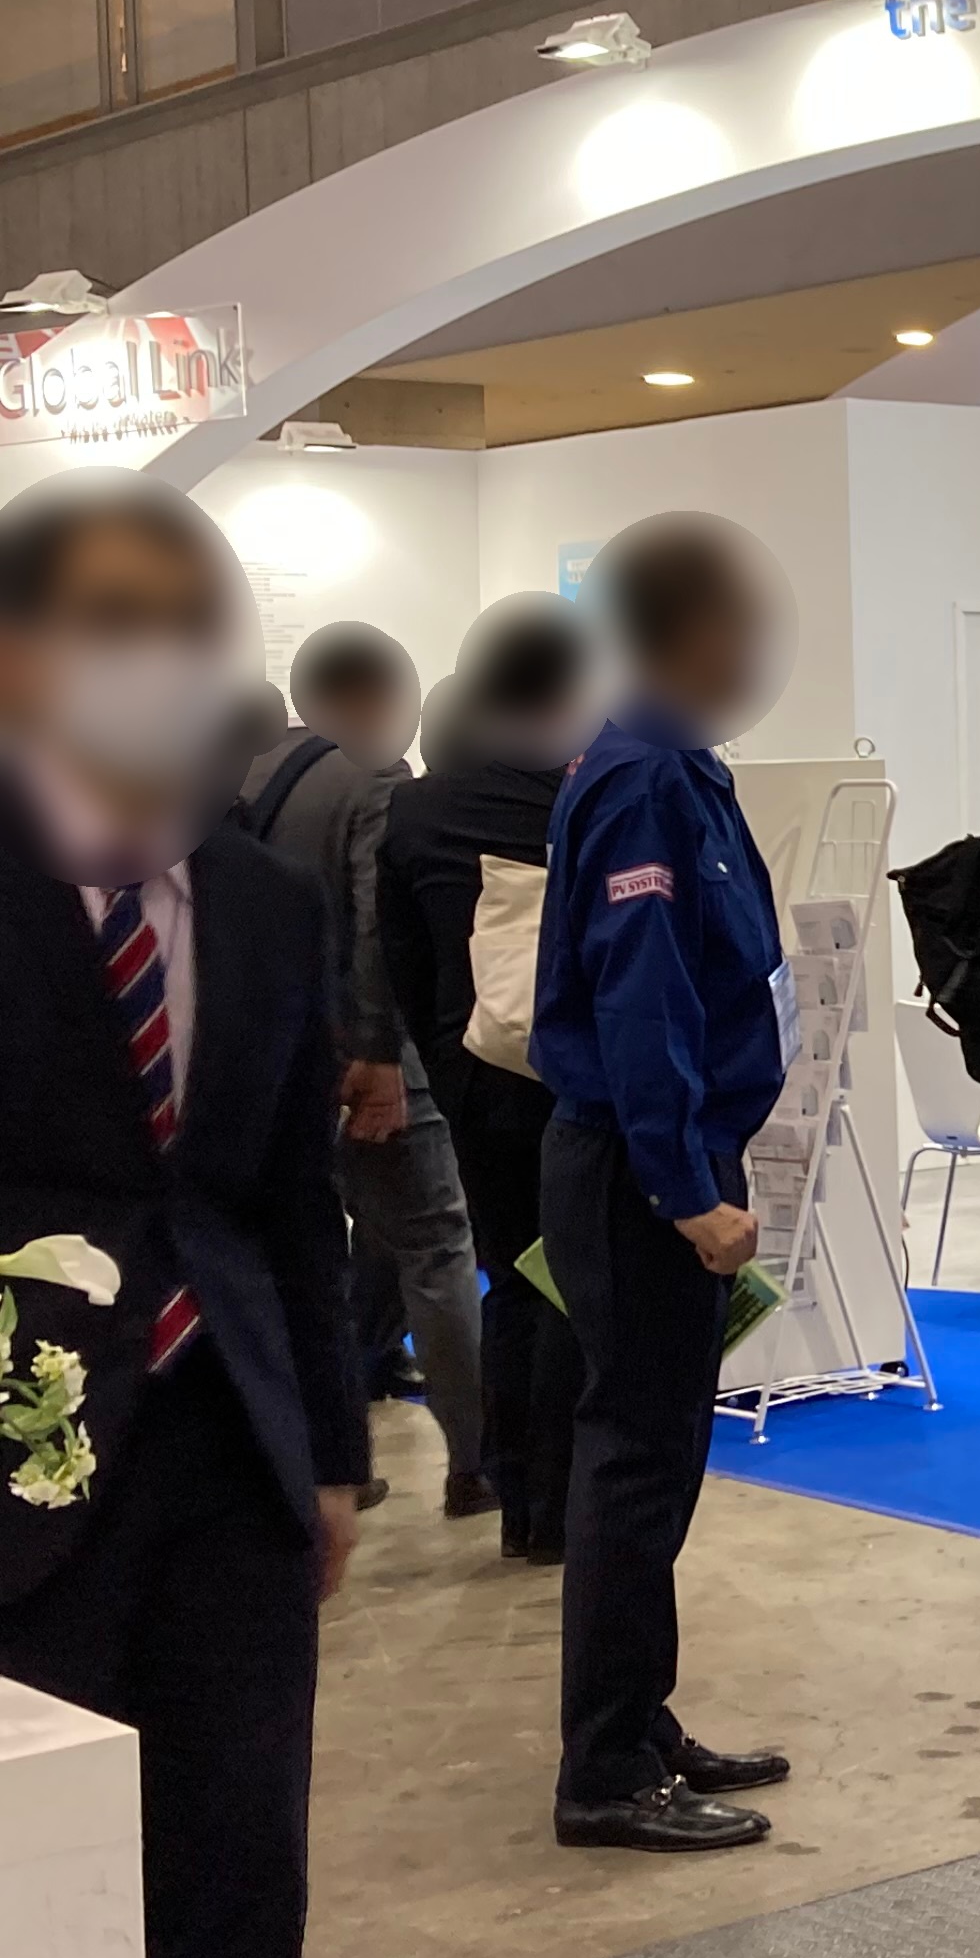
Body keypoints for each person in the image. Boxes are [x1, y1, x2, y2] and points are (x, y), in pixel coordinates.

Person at [0, 472, 363, 1958]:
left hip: (229, 1444)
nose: (154, 662)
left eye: (185, 626)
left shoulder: (265, 897)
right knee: (26, 1878)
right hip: (18, 1456)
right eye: (110, 622)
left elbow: (293, 1193)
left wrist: (333, 1451)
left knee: (233, 1881)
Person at [526, 515, 803, 1853]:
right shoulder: (641, 780)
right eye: (745, 620)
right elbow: (643, 1003)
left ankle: (642, 1720)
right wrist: (686, 1188)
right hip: (640, 1170)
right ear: (696, 631)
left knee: (663, 1454)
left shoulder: (679, 765)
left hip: (664, 1154)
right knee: (636, 1466)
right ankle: (604, 1771)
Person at [242, 622, 490, 1516]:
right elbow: (378, 926)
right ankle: (478, 1463)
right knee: (439, 1245)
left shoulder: (246, 773)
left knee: (335, 1249)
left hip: (270, 1066)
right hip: (366, 1061)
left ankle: (333, 1451)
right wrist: (382, 1054)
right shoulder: (373, 780)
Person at [376, 594, 602, 1564]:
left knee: (509, 1278)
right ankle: (570, 1501)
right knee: (580, 1283)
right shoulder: (595, 793)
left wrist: (445, 1062)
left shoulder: (421, 808)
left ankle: (516, 1497)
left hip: (473, 1079)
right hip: (579, 1083)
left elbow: (401, 960)